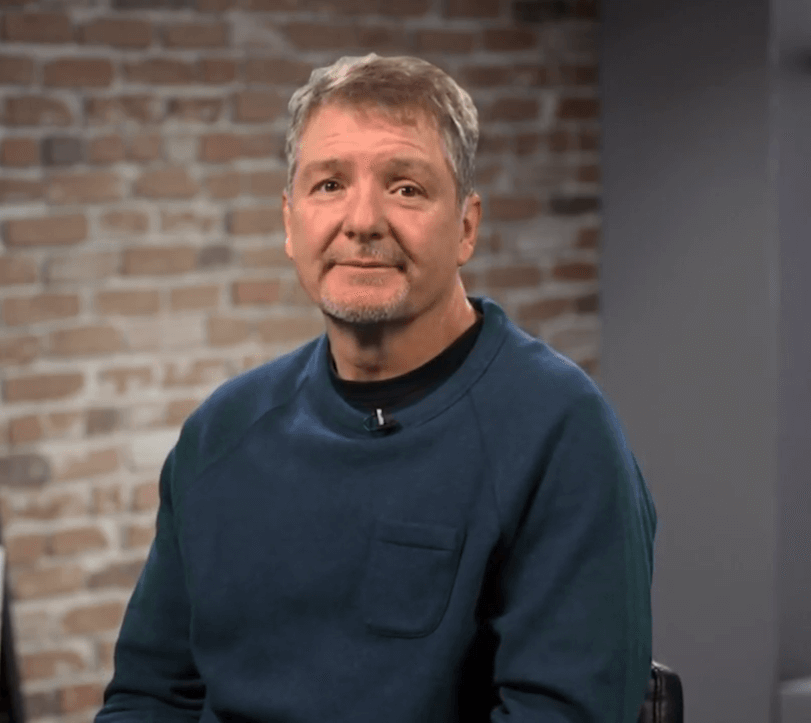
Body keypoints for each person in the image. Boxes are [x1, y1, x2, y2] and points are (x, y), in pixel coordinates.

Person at [94, 53, 657, 723]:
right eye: (328, 185)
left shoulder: (560, 432)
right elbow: (149, 698)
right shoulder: (220, 433)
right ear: (289, 220)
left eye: (406, 187)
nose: (361, 220)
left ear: (467, 226)